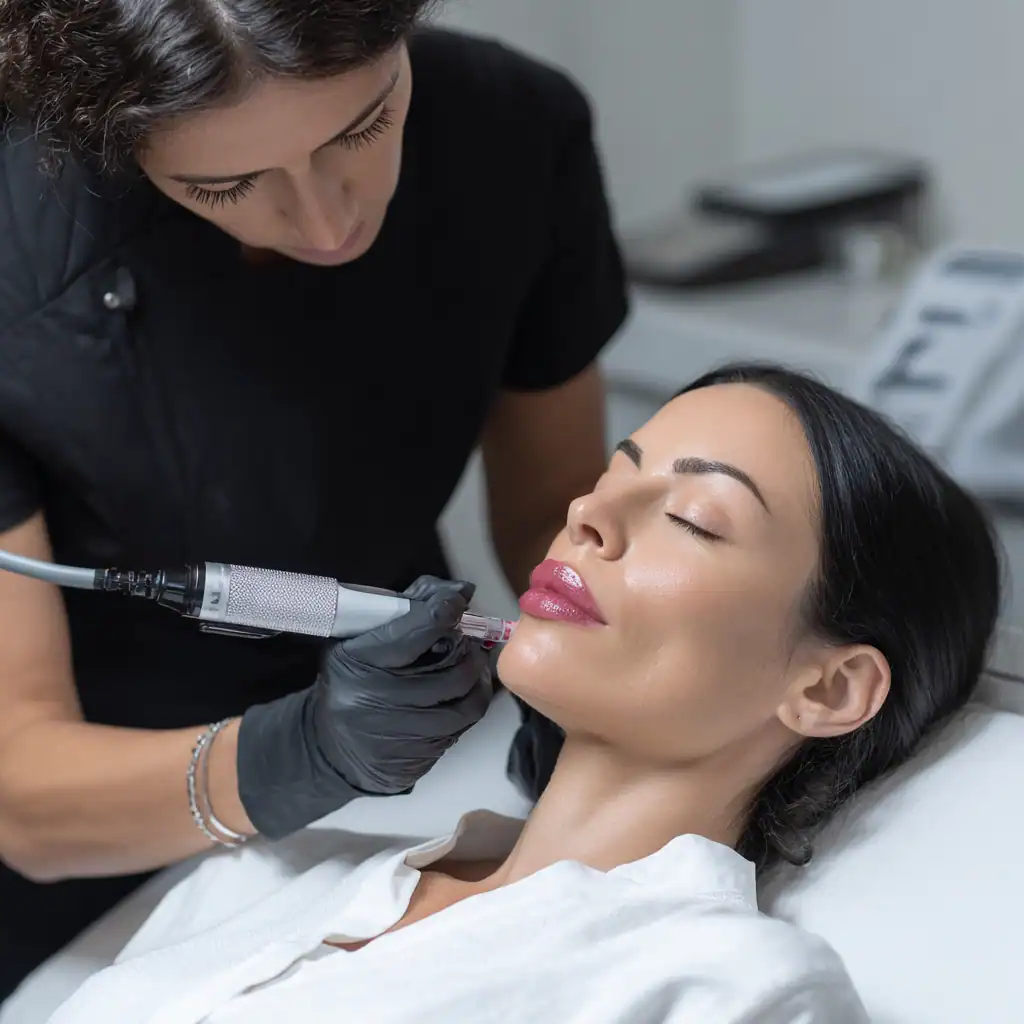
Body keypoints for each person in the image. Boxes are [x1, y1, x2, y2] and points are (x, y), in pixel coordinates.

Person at [46, 365, 1000, 1023]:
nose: (588, 515)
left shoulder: (723, 987)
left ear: (829, 687)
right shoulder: (259, 884)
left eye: (692, 518)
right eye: (608, 479)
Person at [0, 0, 628, 997]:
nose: (331, 219)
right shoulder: (18, 256)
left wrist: (615, 662)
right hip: (90, 855)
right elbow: (23, 795)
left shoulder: (513, 125)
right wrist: (302, 753)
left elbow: (552, 502)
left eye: (364, 125)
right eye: (229, 183)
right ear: (107, 141)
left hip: (423, 766)